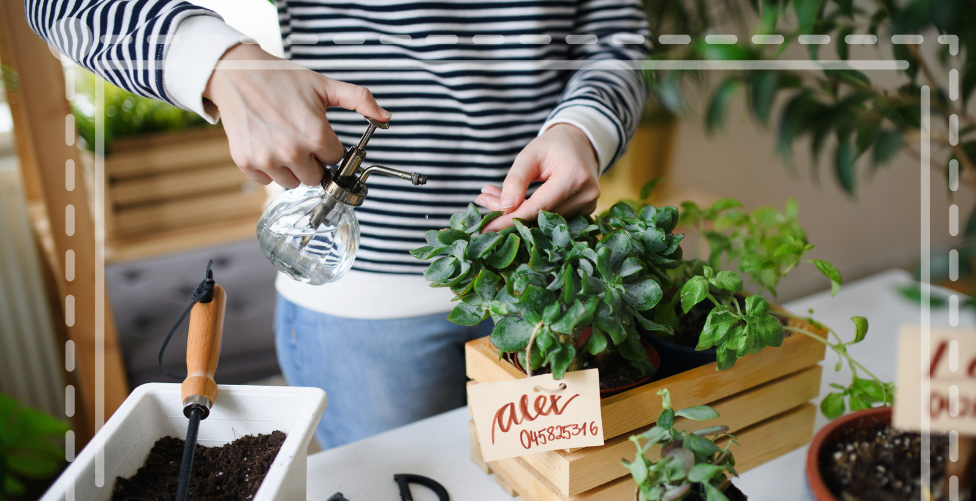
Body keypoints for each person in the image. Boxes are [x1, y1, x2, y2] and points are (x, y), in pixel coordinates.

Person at [28, 0, 650, 449]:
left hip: (547, 285)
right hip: (371, 325)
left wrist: (584, 129)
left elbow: (616, 33)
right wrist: (218, 62)